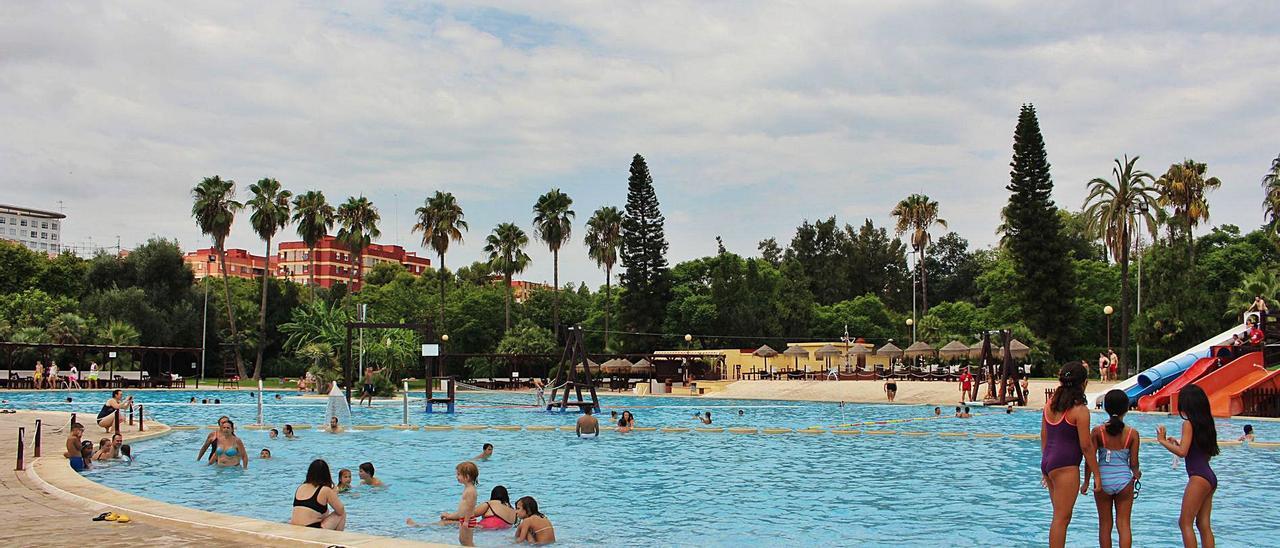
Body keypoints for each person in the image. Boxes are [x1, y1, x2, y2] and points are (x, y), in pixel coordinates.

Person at [1040, 361, 1100, 548]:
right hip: (1066, 465)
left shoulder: (1050, 405)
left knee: (1058, 515)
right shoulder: (1080, 411)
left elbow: (1044, 435)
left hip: (1049, 462)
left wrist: (1045, 466)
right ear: (1083, 384)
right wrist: (1096, 474)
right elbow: (1086, 446)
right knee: (1061, 519)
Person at [1157, 385, 1219, 548]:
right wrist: (1177, 443)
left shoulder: (1188, 424)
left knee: (1185, 523)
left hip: (1198, 477)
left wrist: (1163, 441)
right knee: (1203, 524)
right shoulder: (1207, 423)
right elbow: (1202, 453)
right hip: (1209, 477)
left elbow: (1183, 452)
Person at [1086, 389, 1141, 548]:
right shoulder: (1132, 434)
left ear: (1105, 408)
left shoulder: (1097, 432)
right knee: (1124, 525)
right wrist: (1137, 473)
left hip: (1102, 481)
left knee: (1105, 526)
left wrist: (1086, 482)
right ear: (1127, 409)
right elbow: (1134, 464)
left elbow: (1090, 460)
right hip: (1124, 481)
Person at [408, 461, 480, 546]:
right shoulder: (467, 488)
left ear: (467, 477)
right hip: (464, 519)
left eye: (459, 474)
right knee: (462, 540)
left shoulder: (471, 491)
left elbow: (470, 507)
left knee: (467, 541)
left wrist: (466, 521)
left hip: (467, 520)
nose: (457, 477)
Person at [290, 459, 346, 530]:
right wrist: (334, 494)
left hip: (294, 529)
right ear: (326, 474)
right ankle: (337, 539)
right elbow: (340, 510)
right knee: (342, 514)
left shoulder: (301, 487)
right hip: (311, 531)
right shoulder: (325, 490)